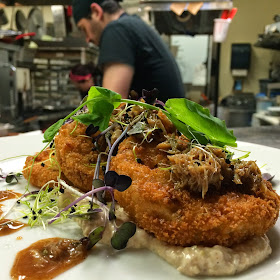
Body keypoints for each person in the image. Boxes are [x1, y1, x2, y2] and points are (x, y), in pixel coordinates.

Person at [72, 0, 185, 102]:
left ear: (96, 12)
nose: (88, 39)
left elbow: (111, 105)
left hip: (162, 123)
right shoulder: (132, 25)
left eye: (83, 29)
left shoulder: (117, 30)